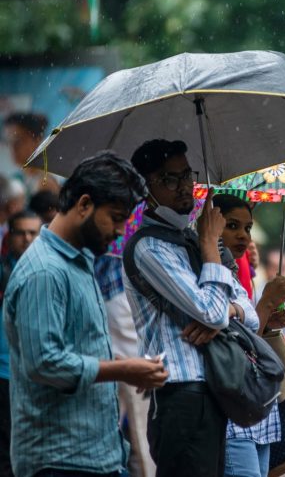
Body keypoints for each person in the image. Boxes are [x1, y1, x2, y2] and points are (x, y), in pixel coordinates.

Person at [125, 140, 285, 477]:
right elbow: (210, 312)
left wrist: (230, 311)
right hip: (180, 393)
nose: (185, 186)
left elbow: (247, 314)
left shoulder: (188, 239)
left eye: (187, 175)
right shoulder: (150, 247)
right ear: (146, 188)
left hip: (213, 391)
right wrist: (210, 249)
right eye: (170, 179)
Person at [3, 151, 168, 477]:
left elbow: (79, 348)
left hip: (96, 455)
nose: (121, 231)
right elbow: (44, 362)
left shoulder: (79, 260)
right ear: (84, 204)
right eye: (116, 217)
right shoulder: (45, 271)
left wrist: (126, 369)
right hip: (60, 461)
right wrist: (122, 369)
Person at [212, 194, 285, 477]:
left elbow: (248, 335)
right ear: (211, 227)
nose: (243, 236)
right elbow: (233, 349)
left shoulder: (234, 271)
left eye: (248, 228)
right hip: (235, 413)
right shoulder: (210, 275)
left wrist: (267, 322)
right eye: (232, 226)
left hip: (258, 413)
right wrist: (266, 303)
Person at [94, 253, 155, 477]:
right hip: (119, 304)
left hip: (112, 305)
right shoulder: (128, 254)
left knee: (121, 432)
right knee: (139, 433)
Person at [0, 210, 41, 477]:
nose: (27, 239)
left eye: (33, 233)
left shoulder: (50, 271)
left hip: (40, 373)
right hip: (5, 373)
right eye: (21, 233)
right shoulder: (3, 272)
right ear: (10, 236)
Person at [3, 113, 59, 197]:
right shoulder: (16, 179)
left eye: (17, 140)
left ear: (37, 140)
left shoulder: (45, 184)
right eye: (8, 141)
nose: (12, 147)